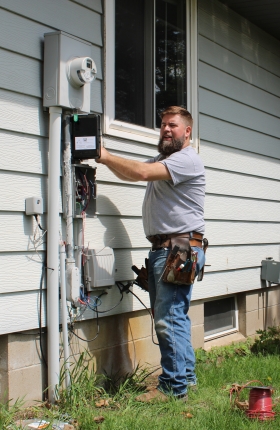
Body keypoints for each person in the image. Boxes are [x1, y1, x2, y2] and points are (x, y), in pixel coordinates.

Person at [96, 106, 205, 402]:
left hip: (178, 248)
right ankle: (187, 379)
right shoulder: (163, 159)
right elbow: (132, 173)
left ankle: (173, 388)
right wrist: (101, 158)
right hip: (168, 248)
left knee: (168, 320)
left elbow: (141, 172)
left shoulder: (187, 160)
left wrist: (103, 153)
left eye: (173, 125)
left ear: (187, 131)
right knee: (174, 317)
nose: (166, 129)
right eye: (162, 125)